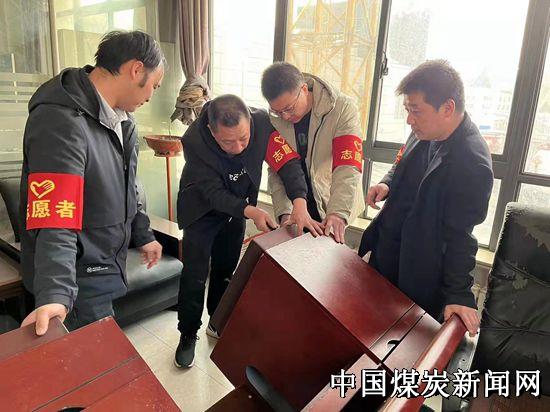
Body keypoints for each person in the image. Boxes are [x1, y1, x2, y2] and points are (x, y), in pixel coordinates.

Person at [20, 30, 164, 335]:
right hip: (78, 281)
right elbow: (55, 213)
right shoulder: (60, 121)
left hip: (105, 267)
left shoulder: (122, 121)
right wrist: (56, 293)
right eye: (154, 85)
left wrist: (143, 234)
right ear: (136, 69)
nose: (151, 95)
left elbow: (129, 188)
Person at [175, 94, 322, 368]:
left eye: (244, 138)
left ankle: (217, 321)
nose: (239, 147)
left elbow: (287, 162)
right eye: (228, 142)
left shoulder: (262, 124)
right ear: (212, 131)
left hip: (238, 209)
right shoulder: (193, 141)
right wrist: (252, 211)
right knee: (195, 274)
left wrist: (299, 202)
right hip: (201, 210)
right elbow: (213, 193)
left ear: (249, 124)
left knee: (226, 269)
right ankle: (188, 332)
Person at [359, 60, 493, 336]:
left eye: (416, 111)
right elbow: (402, 162)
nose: (410, 120)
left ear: (448, 108)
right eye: (407, 110)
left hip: (417, 273)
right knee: (367, 330)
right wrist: (387, 183)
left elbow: (460, 235)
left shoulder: (471, 162)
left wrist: (458, 292)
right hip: (387, 254)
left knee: (400, 345)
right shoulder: (424, 130)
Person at [261, 62, 364, 244]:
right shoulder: (275, 119)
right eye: (277, 111)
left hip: (331, 200)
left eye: (289, 108)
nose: (285, 116)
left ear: (303, 89)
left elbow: (347, 166)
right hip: (296, 205)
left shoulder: (341, 109)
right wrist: (285, 213)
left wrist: (338, 213)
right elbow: (277, 170)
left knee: (330, 254)